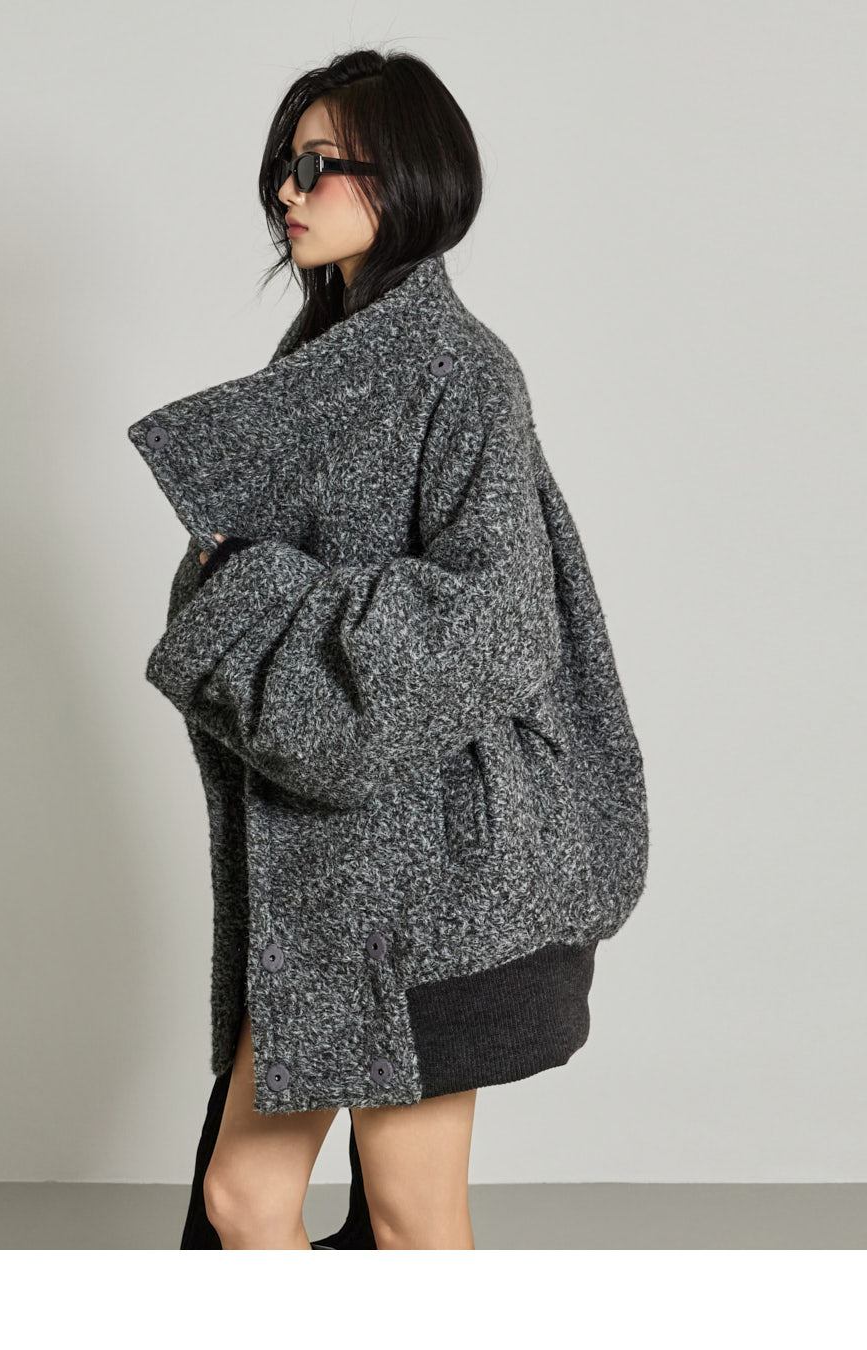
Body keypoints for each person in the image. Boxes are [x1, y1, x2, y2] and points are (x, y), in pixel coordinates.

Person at [130, 47, 648, 1251]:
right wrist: (247, 590)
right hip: (328, 873)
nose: (288, 189)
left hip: (436, 877)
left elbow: (499, 621)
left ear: (405, 175)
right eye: (284, 163)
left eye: (321, 164)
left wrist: (256, 589)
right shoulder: (320, 366)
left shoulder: (462, 370)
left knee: (408, 1216)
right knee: (248, 1200)